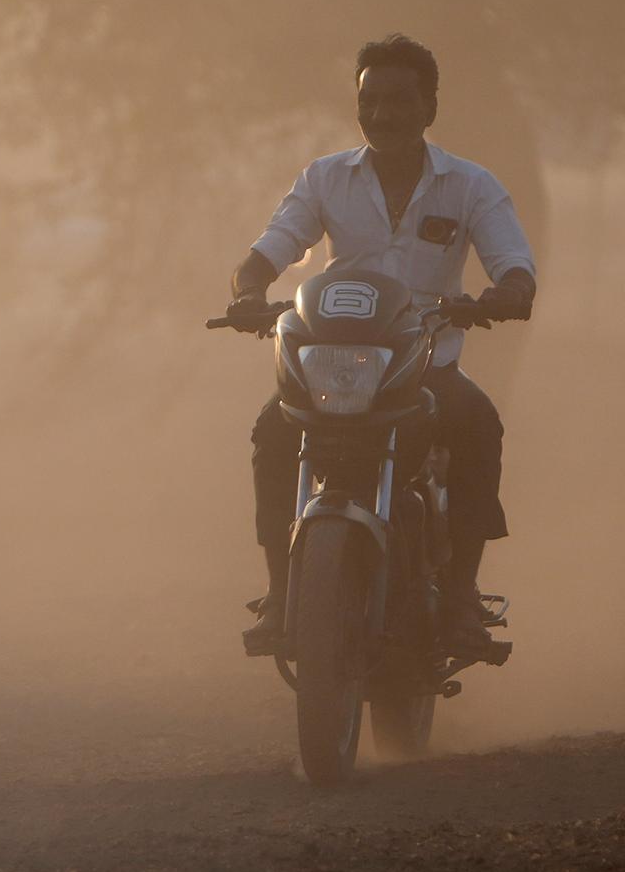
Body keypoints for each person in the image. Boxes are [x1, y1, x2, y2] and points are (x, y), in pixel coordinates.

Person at [227, 35, 536, 657]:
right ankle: (283, 591)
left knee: (478, 424)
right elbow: (270, 250)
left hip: (425, 369)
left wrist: (505, 293)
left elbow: (515, 269)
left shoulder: (470, 186)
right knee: (273, 431)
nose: (382, 114)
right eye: (369, 100)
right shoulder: (324, 178)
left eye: (399, 100)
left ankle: (460, 599)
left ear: (430, 107)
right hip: (332, 369)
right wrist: (250, 290)